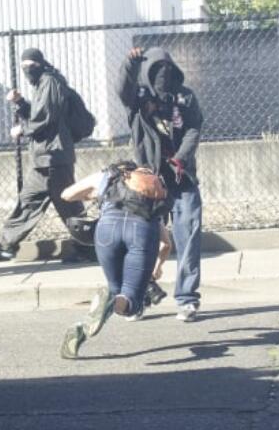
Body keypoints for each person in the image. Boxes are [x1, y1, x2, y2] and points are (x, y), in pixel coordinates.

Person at [119, 46, 204, 322]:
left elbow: (193, 127)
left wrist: (181, 158)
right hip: (148, 180)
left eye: (167, 71)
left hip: (182, 177)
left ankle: (187, 299)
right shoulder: (138, 97)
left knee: (188, 233)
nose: (162, 77)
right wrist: (130, 64)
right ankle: (139, 298)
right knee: (143, 241)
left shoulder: (184, 96)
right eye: (156, 71)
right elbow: (123, 89)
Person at [58, 162, 170, 358]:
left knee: (114, 288)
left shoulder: (106, 178)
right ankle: (109, 305)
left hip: (106, 230)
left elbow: (66, 195)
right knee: (130, 302)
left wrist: (94, 194)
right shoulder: (149, 189)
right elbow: (166, 244)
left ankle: (83, 328)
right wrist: (158, 267)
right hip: (141, 233)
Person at [0, 48, 89, 262]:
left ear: (40, 64)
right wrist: (21, 103)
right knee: (36, 202)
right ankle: (7, 245)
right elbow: (39, 113)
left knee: (63, 203)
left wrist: (23, 130)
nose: (26, 70)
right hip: (48, 157)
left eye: (30, 65)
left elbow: (46, 117)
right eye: (23, 66)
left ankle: (90, 246)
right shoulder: (44, 83)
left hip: (53, 156)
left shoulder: (50, 82)